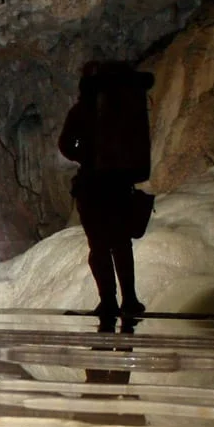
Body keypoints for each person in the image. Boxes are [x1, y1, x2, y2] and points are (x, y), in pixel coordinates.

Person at [59, 61, 154, 318]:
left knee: (99, 246)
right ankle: (130, 299)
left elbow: (65, 144)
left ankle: (108, 301)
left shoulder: (83, 110)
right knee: (121, 244)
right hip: (120, 185)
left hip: (93, 186)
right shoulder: (126, 108)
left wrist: (85, 157)